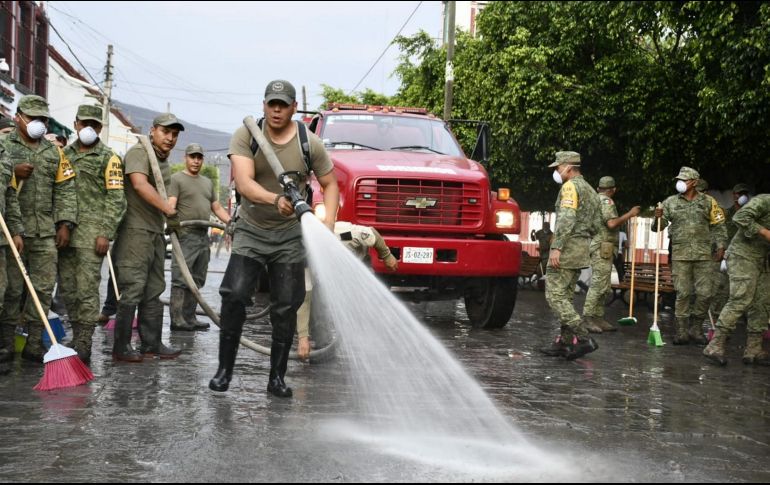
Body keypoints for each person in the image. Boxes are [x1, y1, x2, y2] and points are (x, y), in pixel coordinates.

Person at [209, 79, 339, 397]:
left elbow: (331, 185)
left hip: (289, 236)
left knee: (285, 306)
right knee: (235, 294)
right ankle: (224, 371)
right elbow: (243, 183)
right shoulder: (247, 135)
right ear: (264, 105)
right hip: (252, 230)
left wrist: (329, 228)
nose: (277, 110)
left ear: (294, 108)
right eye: (272, 104)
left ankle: (277, 379)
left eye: (283, 105)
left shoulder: (310, 144)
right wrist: (276, 200)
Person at [0, 95, 77, 363]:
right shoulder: (4, 146)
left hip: (44, 232)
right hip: (11, 232)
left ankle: (34, 346)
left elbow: (66, 189)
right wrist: (13, 173)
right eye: (32, 118)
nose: (38, 123)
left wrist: (65, 224)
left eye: (43, 119)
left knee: (43, 290)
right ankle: (6, 345)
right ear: (18, 116)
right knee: (11, 290)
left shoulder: (54, 152)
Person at [111, 113, 185, 362]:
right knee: (133, 288)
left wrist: (167, 214)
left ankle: (151, 344)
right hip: (135, 232)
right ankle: (121, 347)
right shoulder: (140, 152)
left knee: (154, 289)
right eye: (166, 132)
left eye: (175, 134)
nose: (171, 138)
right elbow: (140, 185)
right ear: (153, 131)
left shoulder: (161, 160)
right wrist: (167, 209)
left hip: (154, 232)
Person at [57, 105, 126, 364]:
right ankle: (76, 334)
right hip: (65, 234)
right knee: (68, 289)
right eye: (84, 123)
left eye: (94, 125)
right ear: (75, 124)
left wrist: (105, 233)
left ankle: (84, 340)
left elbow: (116, 198)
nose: (89, 129)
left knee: (86, 289)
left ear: (100, 128)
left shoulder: (109, 158)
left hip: (91, 235)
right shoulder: (64, 155)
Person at [295, 221, 398, 360]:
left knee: (360, 305)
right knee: (317, 306)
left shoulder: (343, 235)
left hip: (355, 265)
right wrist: (303, 337)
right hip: (328, 276)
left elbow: (371, 233)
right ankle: (323, 349)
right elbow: (304, 302)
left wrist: (386, 255)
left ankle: (375, 341)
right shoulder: (304, 264)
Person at [653, 167, 727, 345]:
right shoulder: (670, 202)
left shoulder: (709, 202)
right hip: (681, 255)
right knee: (683, 293)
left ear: (694, 182)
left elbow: (718, 225)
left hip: (704, 255)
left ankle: (696, 328)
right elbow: (658, 227)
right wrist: (657, 218)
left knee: (705, 294)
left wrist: (721, 246)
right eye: (680, 179)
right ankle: (681, 331)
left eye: (685, 180)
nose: (680, 183)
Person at [540, 151, 601, 360]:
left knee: (555, 296)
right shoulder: (591, 191)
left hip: (566, 247)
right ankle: (564, 343)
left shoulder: (569, 187)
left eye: (558, 167)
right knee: (565, 297)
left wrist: (557, 247)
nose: (557, 171)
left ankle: (584, 338)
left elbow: (566, 219)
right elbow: (596, 224)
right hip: (581, 247)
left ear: (568, 167)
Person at [167, 143, 231, 332]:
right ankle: (177, 319)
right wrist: (170, 219)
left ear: (202, 160)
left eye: (199, 157)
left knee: (197, 277)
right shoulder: (176, 179)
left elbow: (216, 207)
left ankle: (189, 316)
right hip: (185, 235)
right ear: (185, 158)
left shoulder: (207, 182)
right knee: (181, 278)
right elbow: (171, 203)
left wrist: (231, 222)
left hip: (203, 236)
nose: (195, 161)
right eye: (192, 157)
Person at [703, 194, 770, 366]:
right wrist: (765, 232)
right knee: (741, 298)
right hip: (742, 255)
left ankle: (754, 349)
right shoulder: (765, 200)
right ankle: (715, 345)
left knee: (761, 302)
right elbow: (740, 216)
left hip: (763, 260)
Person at [582, 176, 640, 333]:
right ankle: (587, 318)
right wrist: (630, 214)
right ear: (612, 189)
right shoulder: (606, 201)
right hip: (603, 246)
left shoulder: (593, 200)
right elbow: (612, 223)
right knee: (598, 285)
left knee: (604, 285)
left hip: (602, 246)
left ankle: (598, 317)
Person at [710, 183, 751, 319]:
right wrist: (719, 250)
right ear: (734, 195)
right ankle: (717, 324)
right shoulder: (726, 213)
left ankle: (752, 323)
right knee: (722, 291)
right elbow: (718, 232)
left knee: (746, 291)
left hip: (746, 258)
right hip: (727, 258)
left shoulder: (753, 214)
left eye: (743, 194)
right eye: (738, 194)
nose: (740, 196)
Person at [0, 143, 24, 370]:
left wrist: (16, 230)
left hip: (2, 237)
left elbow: (10, 195)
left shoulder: (3, 154)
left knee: (3, 292)